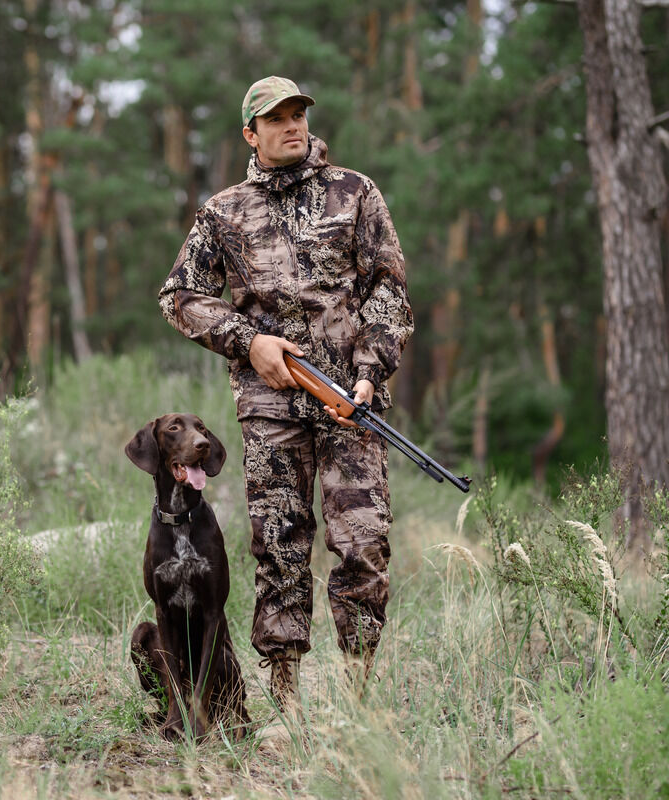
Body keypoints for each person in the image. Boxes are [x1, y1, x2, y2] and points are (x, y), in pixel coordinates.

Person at [157, 76, 413, 713]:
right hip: (270, 409)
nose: (292, 125)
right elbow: (178, 297)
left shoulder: (356, 193)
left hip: (351, 404)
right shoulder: (224, 212)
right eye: (276, 118)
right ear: (252, 133)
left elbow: (390, 291)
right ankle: (286, 701)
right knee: (279, 542)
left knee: (363, 541)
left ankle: (359, 701)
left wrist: (368, 373)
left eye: (298, 113)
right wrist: (250, 343)